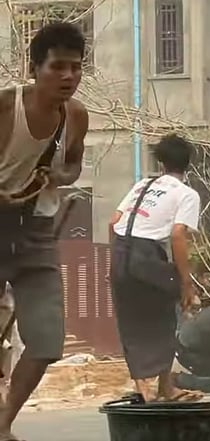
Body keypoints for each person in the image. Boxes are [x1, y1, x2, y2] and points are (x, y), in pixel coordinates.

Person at [0, 22, 89, 440]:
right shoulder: (5, 108)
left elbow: (73, 164)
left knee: (47, 342)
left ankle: (3, 421)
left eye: (76, 67)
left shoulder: (76, 116)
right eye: (58, 67)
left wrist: (52, 175)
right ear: (34, 68)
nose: (68, 76)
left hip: (35, 230)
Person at [109, 133, 202, 403]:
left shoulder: (141, 186)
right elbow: (177, 235)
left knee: (130, 322)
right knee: (168, 316)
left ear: (161, 163)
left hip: (121, 252)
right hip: (147, 254)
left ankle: (143, 389)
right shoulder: (186, 194)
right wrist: (186, 282)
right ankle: (166, 388)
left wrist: (118, 261)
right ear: (188, 165)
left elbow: (113, 221)